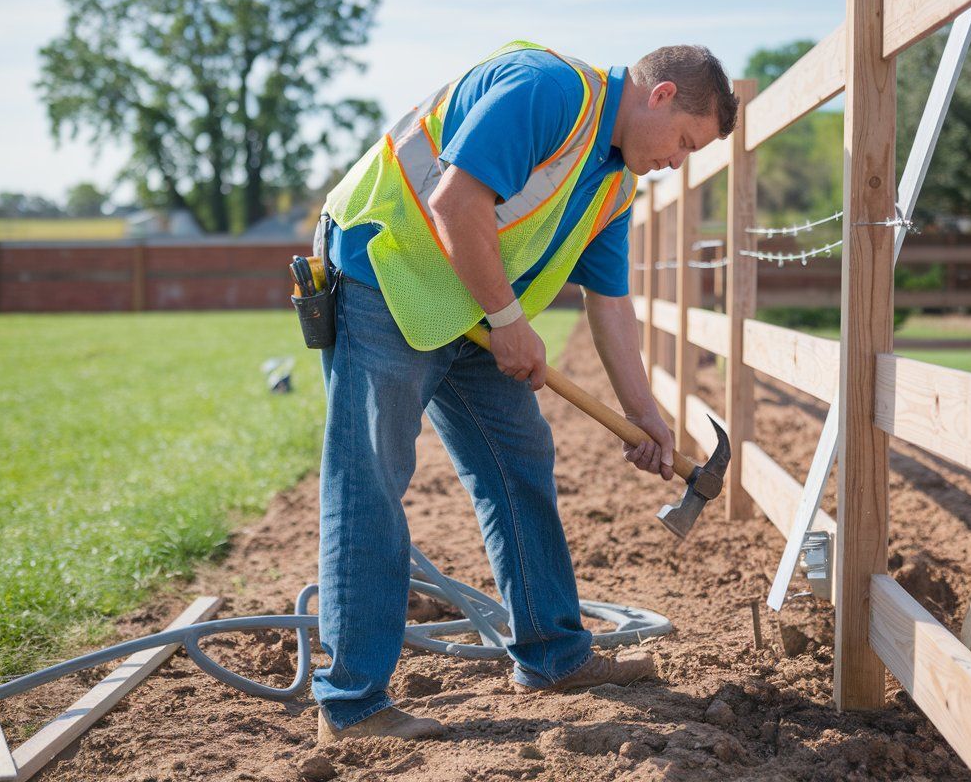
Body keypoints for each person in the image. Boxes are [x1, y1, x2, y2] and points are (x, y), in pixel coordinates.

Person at [314, 40, 738, 743]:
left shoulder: (615, 185)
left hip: (470, 303)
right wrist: (511, 322)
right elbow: (454, 199)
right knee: (370, 480)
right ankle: (354, 704)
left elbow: (609, 304)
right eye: (685, 143)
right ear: (661, 96)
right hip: (384, 270)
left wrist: (644, 415)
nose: (675, 164)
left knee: (519, 462)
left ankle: (553, 657)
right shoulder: (550, 91)